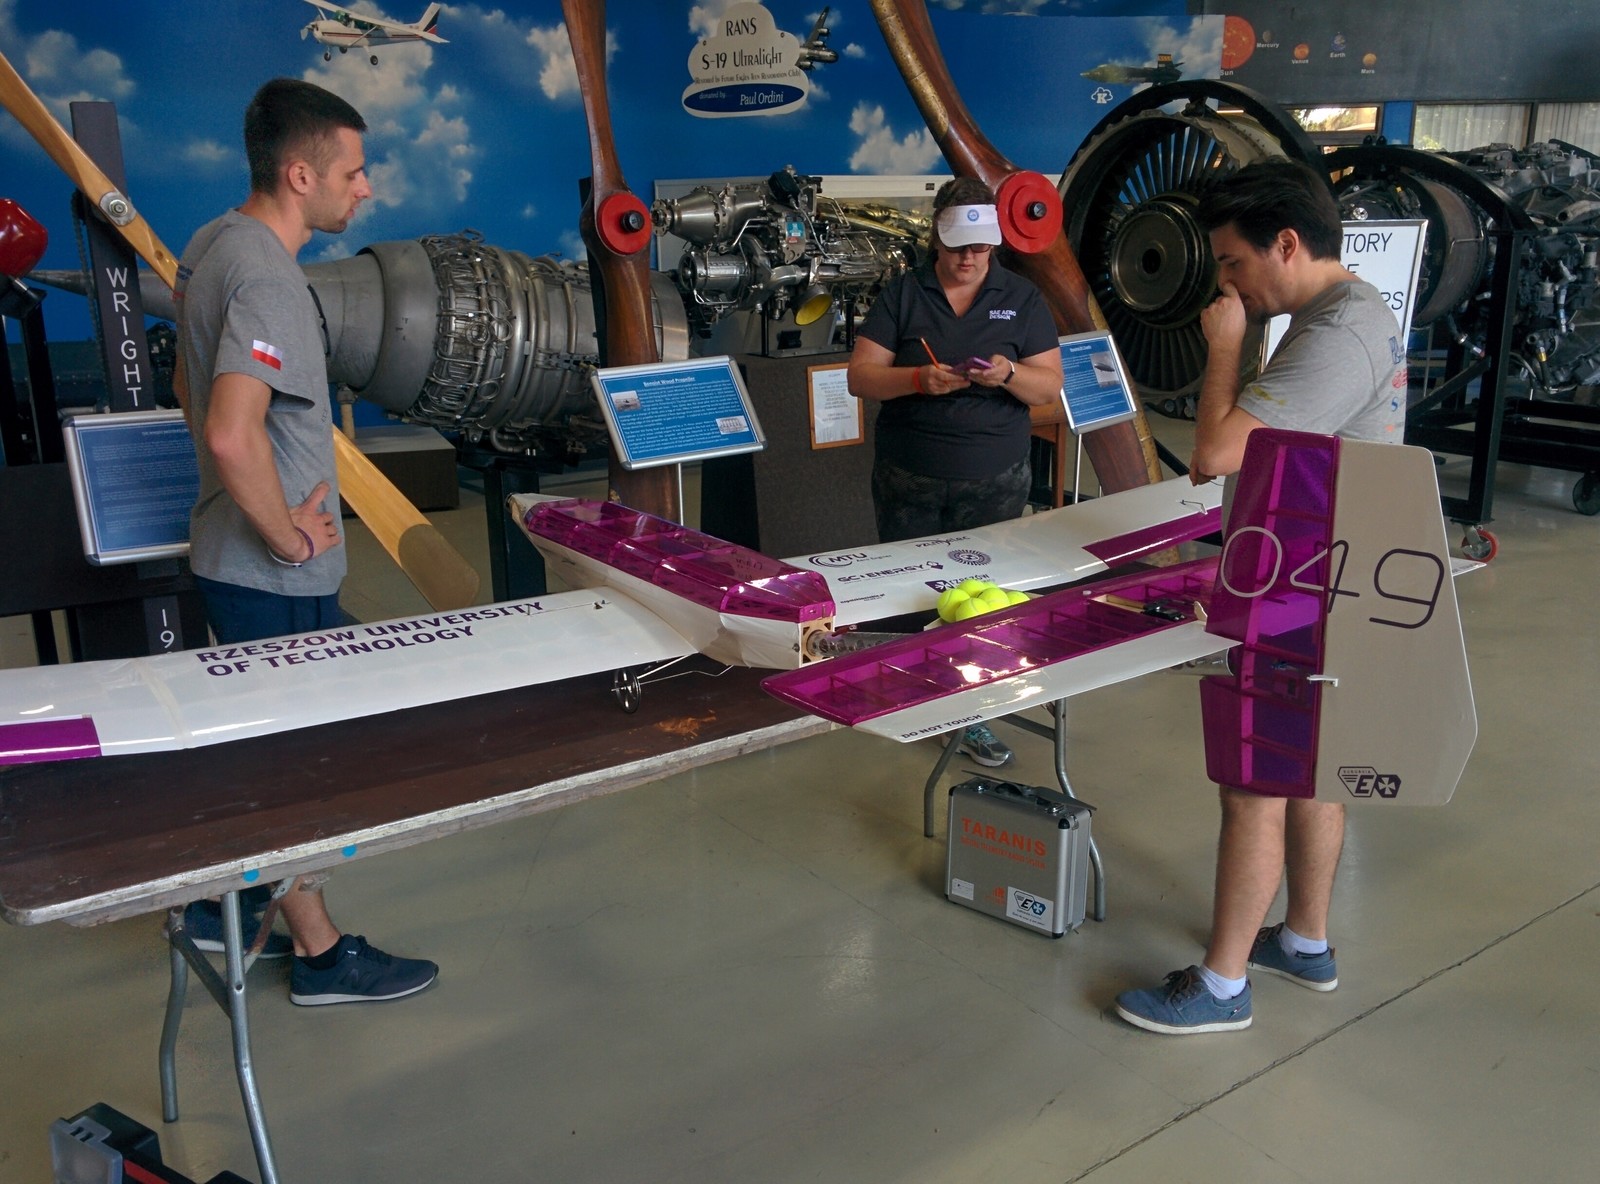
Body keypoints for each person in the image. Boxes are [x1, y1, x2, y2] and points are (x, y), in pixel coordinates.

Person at [1114, 157, 1405, 1035]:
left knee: (1254, 784)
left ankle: (1222, 986)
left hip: (1306, 589)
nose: (1228, 284)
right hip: (1323, 574)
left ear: (1286, 243)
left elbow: (1214, 455)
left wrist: (1225, 347)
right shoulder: (1334, 317)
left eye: (1234, 263)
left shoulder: (1336, 335)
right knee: (1312, 773)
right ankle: (1304, 942)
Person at [173, 77, 438, 1007]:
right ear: (299, 174)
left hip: (229, 554)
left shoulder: (211, 244)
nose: (365, 188)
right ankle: (322, 957)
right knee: (297, 769)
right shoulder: (271, 281)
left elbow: (190, 392)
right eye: (353, 171)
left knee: (273, 748)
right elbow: (228, 431)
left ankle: (231, 906)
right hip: (271, 575)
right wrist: (287, 534)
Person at [847, 177, 1065, 768]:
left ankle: (972, 710)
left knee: (980, 597)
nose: (969, 259)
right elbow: (861, 377)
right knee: (909, 588)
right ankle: (910, 695)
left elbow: (1049, 386)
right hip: (909, 473)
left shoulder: (1021, 296)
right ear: (935, 239)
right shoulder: (904, 293)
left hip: (994, 476)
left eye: (981, 248)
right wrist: (918, 379)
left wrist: (1008, 374)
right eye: (956, 248)